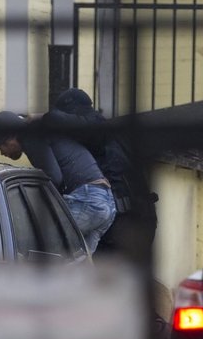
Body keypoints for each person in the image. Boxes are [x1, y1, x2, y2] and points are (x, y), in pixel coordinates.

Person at [43, 88, 158, 259]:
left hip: (121, 224)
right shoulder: (118, 132)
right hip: (143, 218)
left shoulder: (96, 128)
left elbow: (69, 124)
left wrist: (46, 117)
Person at [0, 110, 116, 254]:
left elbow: (53, 177)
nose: (2, 153)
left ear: (11, 136)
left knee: (38, 246)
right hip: (106, 202)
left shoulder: (30, 135)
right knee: (75, 263)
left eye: (1, 146)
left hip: (86, 201)